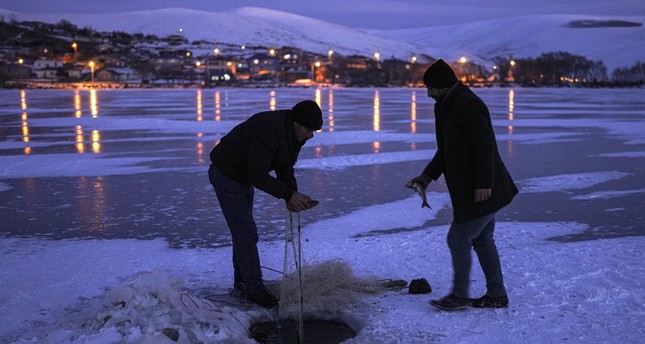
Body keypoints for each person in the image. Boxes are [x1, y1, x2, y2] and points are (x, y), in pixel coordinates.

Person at [408, 59, 519, 311]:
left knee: (458, 239)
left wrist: (483, 184)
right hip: (476, 189)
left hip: (483, 189)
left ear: (445, 85)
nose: (428, 94)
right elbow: (447, 149)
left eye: (431, 88)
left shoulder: (468, 105)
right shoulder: (446, 104)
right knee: (481, 240)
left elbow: (485, 146)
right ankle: (497, 295)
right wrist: (427, 176)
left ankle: (459, 296)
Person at [208, 100, 323, 308]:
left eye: (313, 131)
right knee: (246, 232)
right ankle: (253, 291)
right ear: (297, 123)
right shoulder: (270, 129)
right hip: (226, 173)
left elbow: (285, 167)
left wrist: (292, 194)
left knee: (243, 232)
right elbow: (257, 174)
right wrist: (288, 194)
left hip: (242, 176)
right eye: (308, 130)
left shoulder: (296, 135)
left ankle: (243, 284)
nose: (310, 136)